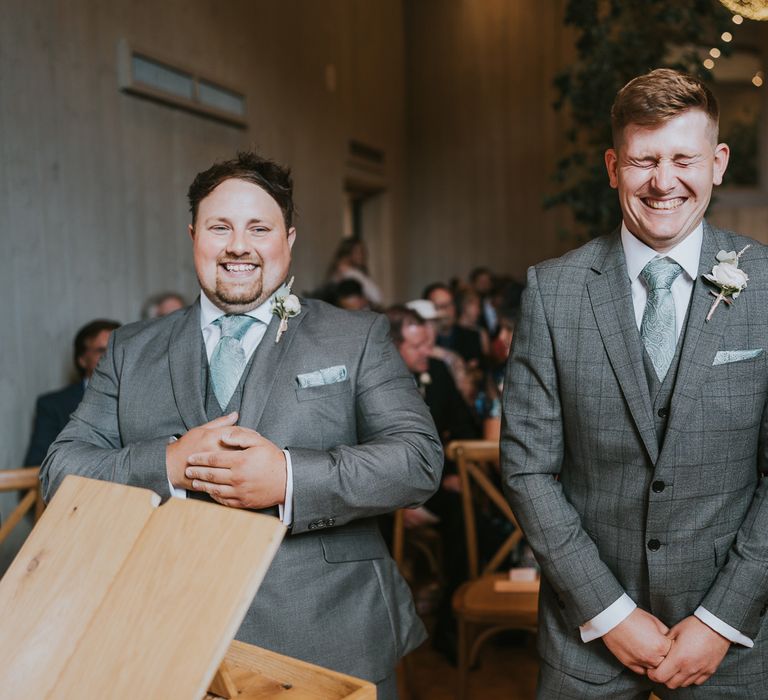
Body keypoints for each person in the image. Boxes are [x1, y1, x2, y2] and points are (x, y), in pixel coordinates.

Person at [40, 151, 442, 697]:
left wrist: (289, 477)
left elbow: (418, 459)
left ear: (289, 239)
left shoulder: (356, 335)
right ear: (193, 236)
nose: (238, 245)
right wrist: (169, 464)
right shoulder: (131, 348)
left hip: (329, 633)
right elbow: (59, 470)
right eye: (219, 227)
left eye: (259, 227)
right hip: (160, 638)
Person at [502, 68, 768, 698]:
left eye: (684, 158)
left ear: (719, 162)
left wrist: (719, 621)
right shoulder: (553, 289)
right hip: (588, 639)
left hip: (734, 640)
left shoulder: (767, 286)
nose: (663, 181)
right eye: (644, 160)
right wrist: (612, 615)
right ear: (613, 165)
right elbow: (526, 468)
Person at [24, 319, 120, 466]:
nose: (113, 356)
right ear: (82, 359)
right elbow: (38, 465)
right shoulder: (53, 405)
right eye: (102, 351)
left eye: (118, 349)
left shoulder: (145, 397)